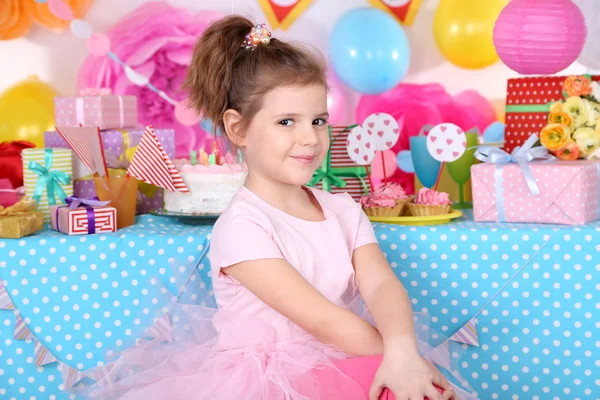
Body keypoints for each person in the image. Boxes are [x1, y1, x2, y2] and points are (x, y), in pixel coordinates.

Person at [79, 15, 474, 400]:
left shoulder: (343, 210)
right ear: (238, 129)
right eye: (287, 122)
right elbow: (322, 321)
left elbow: (382, 284)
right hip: (272, 380)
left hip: (349, 354)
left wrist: (404, 349)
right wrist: (400, 360)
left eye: (318, 120)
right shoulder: (242, 227)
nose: (310, 138)